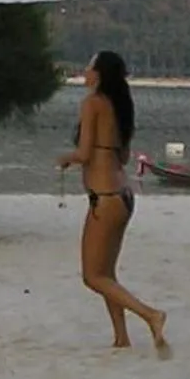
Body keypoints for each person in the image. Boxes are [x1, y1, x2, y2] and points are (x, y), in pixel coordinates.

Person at [57, 50, 167, 351]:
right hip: (124, 195)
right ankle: (121, 337)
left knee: (92, 277)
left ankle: (151, 315)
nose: (85, 70)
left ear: (100, 73)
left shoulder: (92, 103)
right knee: (107, 274)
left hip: (105, 199)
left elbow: (84, 153)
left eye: (90, 66)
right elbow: (123, 155)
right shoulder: (119, 106)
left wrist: (65, 159)